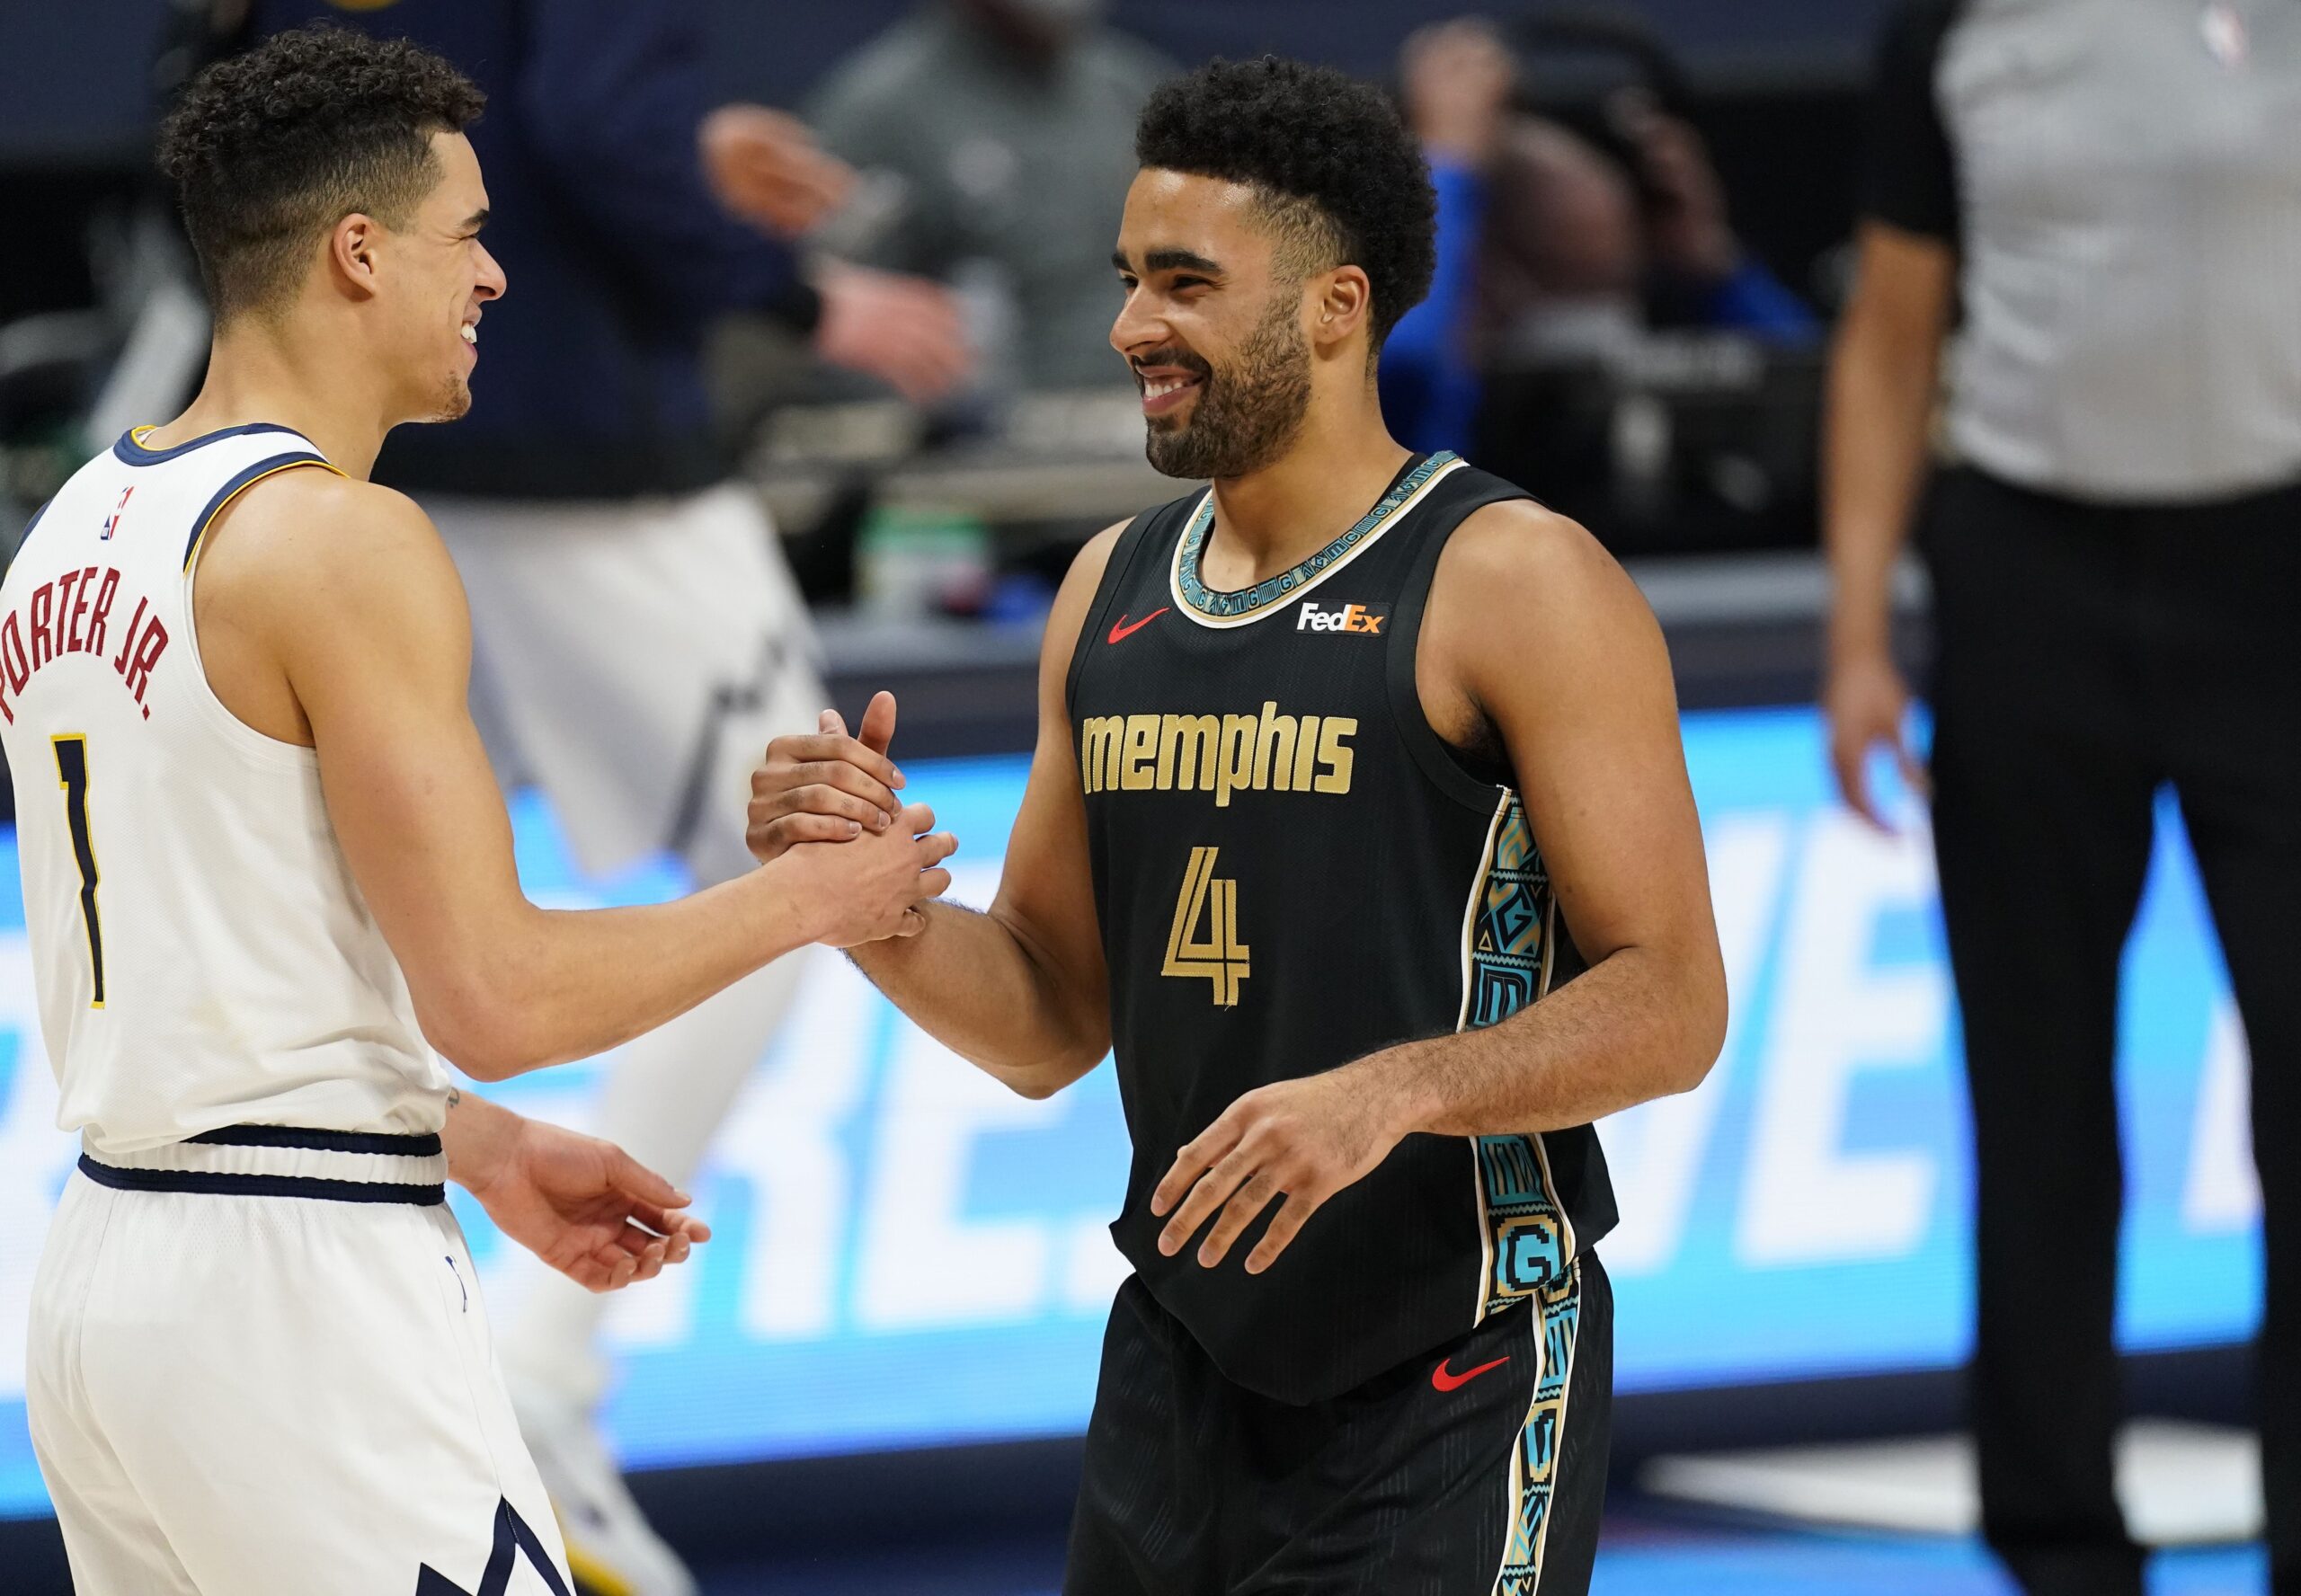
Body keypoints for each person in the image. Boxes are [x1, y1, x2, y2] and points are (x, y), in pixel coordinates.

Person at [749, 57, 1727, 1594]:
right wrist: (864, 907)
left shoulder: (1515, 580)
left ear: (1336, 307)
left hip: (1455, 1359)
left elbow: (1673, 1003)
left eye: (1186, 283)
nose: (1133, 324)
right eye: (1131, 279)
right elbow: (1049, 1021)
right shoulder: (1108, 588)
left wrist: (1393, 1092)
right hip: (1179, 1360)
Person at [10, 29, 954, 1594]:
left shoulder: (77, 521)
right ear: (358, 253)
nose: (498, 277)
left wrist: (469, 1138)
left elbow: (210, 987)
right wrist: (810, 899)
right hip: (302, 1299)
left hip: (108, 1287)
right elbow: (500, 997)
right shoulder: (342, 542)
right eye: (467, 236)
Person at [1824, 5, 2301, 1595]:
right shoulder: (1952, 28)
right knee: (2036, 1096)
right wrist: (1856, 637)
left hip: (2276, 573)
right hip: (2029, 571)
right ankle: (2058, 1546)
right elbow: (1892, 331)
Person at [1381, 16, 1816, 456]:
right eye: (1554, 273)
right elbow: (1404, 362)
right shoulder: (1414, 428)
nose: (1601, 325)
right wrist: (1447, 173)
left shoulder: (1663, 417)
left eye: (1612, 290)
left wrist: (1716, 272)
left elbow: (1826, 401)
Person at [804, 0, 1176, 392]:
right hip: (1001, 414)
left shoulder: (1128, 87)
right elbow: (827, 333)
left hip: (1150, 402)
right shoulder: (879, 116)